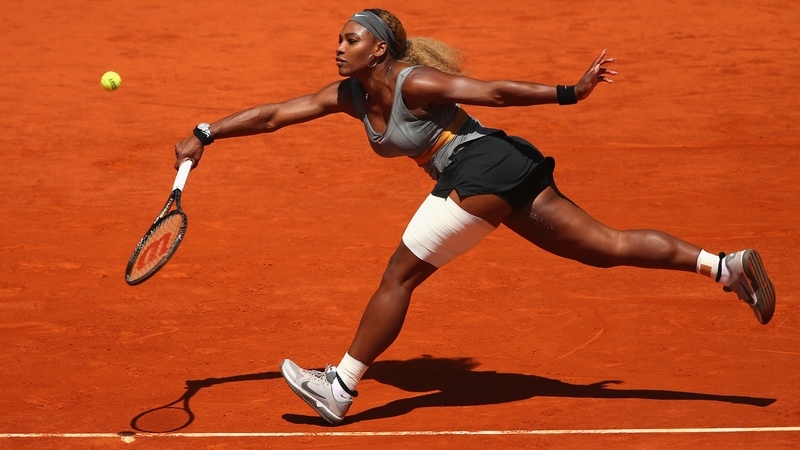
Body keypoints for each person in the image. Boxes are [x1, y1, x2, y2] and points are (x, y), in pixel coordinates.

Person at [174, 9, 776, 426]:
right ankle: (723, 266)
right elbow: (278, 114)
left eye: (351, 38)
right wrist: (207, 132)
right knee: (604, 246)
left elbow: (491, 92)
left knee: (399, 276)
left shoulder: (417, 83)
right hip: (501, 168)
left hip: (483, 166)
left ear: (379, 48)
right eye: (339, 37)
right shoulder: (349, 97)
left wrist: (569, 92)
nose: (338, 45)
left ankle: (341, 385)